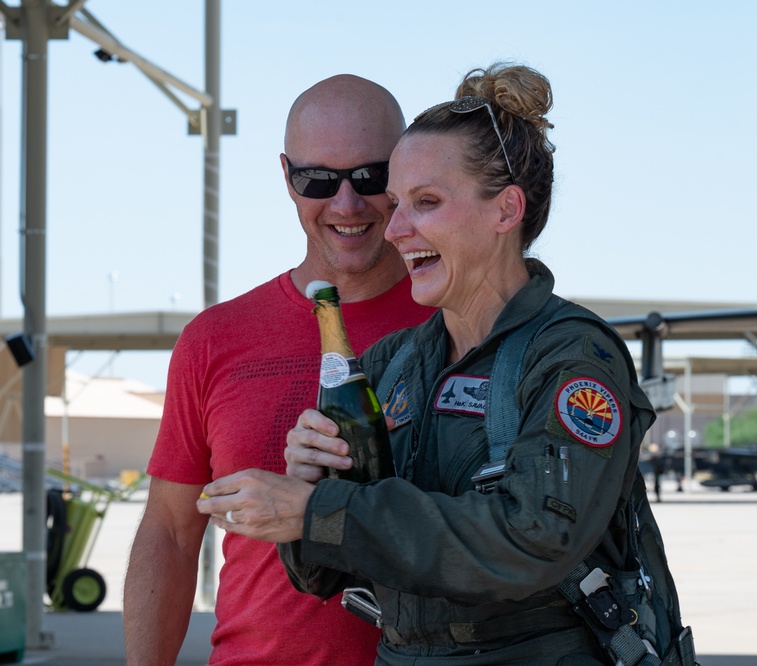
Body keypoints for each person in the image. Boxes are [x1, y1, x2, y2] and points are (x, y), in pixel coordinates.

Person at [197, 63, 694, 665]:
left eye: (426, 203)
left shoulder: (570, 356)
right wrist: (305, 484)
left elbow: (533, 539)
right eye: (398, 203)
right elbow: (324, 574)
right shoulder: (392, 365)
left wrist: (316, 509)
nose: (398, 229)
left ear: (506, 210)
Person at [122, 75, 436, 666]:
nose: (346, 204)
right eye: (318, 179)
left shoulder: (460, 327)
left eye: (370, 178)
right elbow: (169, 532)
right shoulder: (215, 340)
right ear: (287, 177)